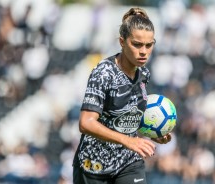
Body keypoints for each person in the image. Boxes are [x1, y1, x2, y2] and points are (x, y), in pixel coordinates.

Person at [73, 7, 172, 184]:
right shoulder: (104, 73)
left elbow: (129, 116)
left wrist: (153, 133)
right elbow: (86, 123)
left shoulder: (144, 73)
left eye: (149, 45)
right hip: (93, 166)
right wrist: (128, 141)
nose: (144, 51)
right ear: (122, 42)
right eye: (137, 44)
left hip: (128, 162)